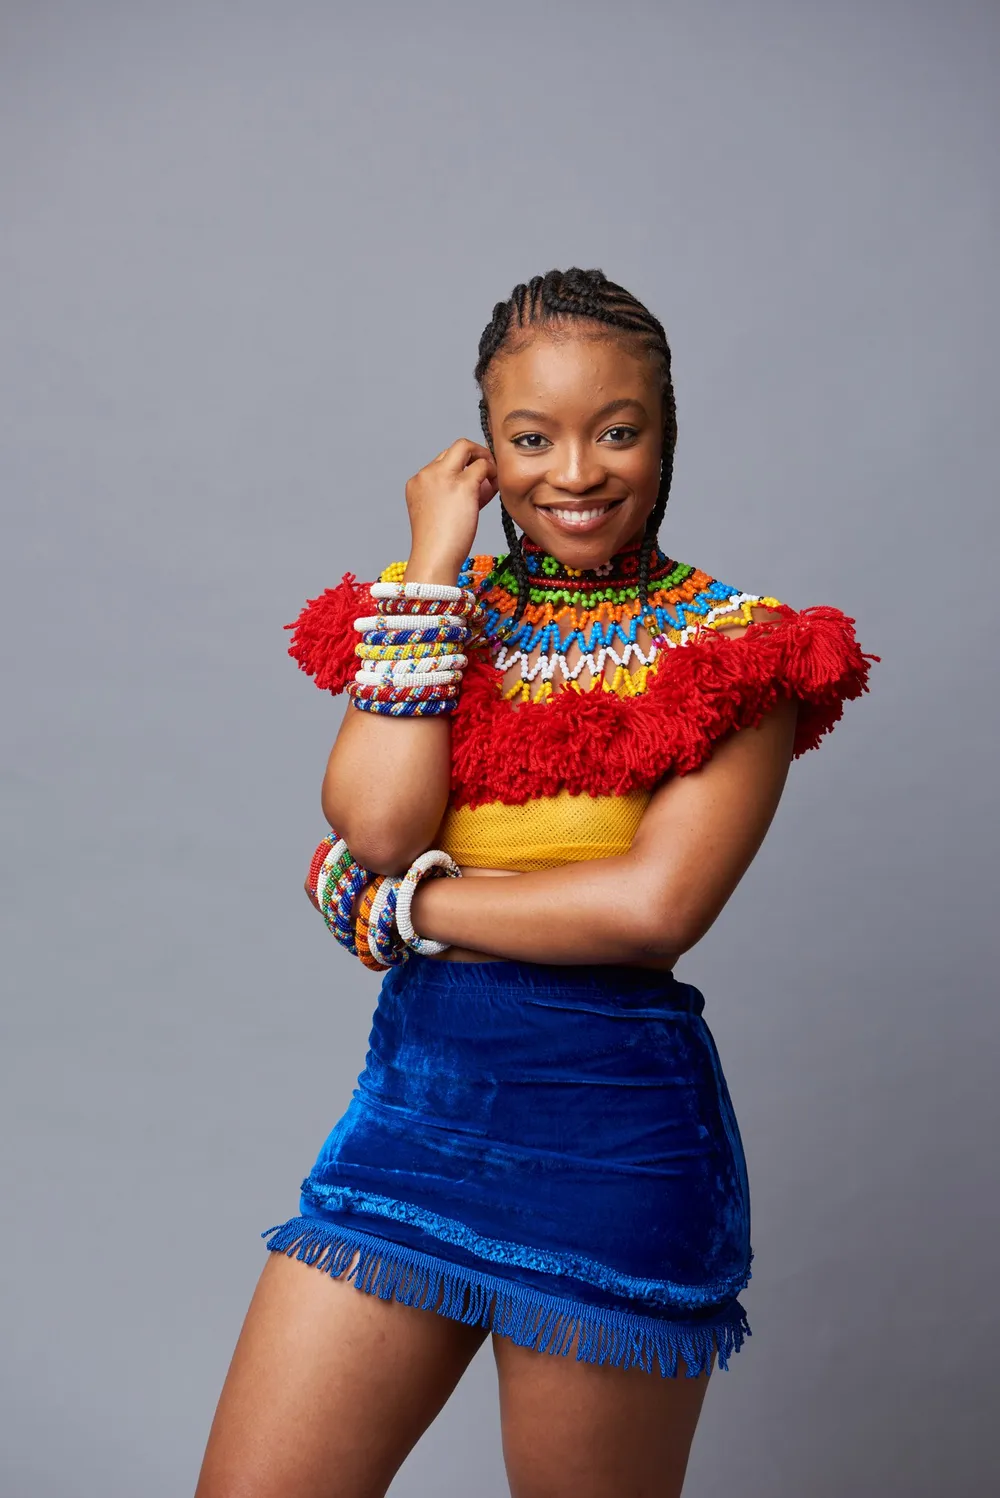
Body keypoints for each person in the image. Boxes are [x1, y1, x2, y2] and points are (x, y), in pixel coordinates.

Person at [195, 268, 876, 1498]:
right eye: (531, 437)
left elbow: (651, 909)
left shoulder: (742, 647)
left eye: (615, 431)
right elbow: (379, 823)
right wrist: (431, 564)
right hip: (409, 1121)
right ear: (485, 449)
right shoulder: (435, 614)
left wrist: (402, 909)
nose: (574, 472)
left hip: (613, 1145)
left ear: (665, 436)